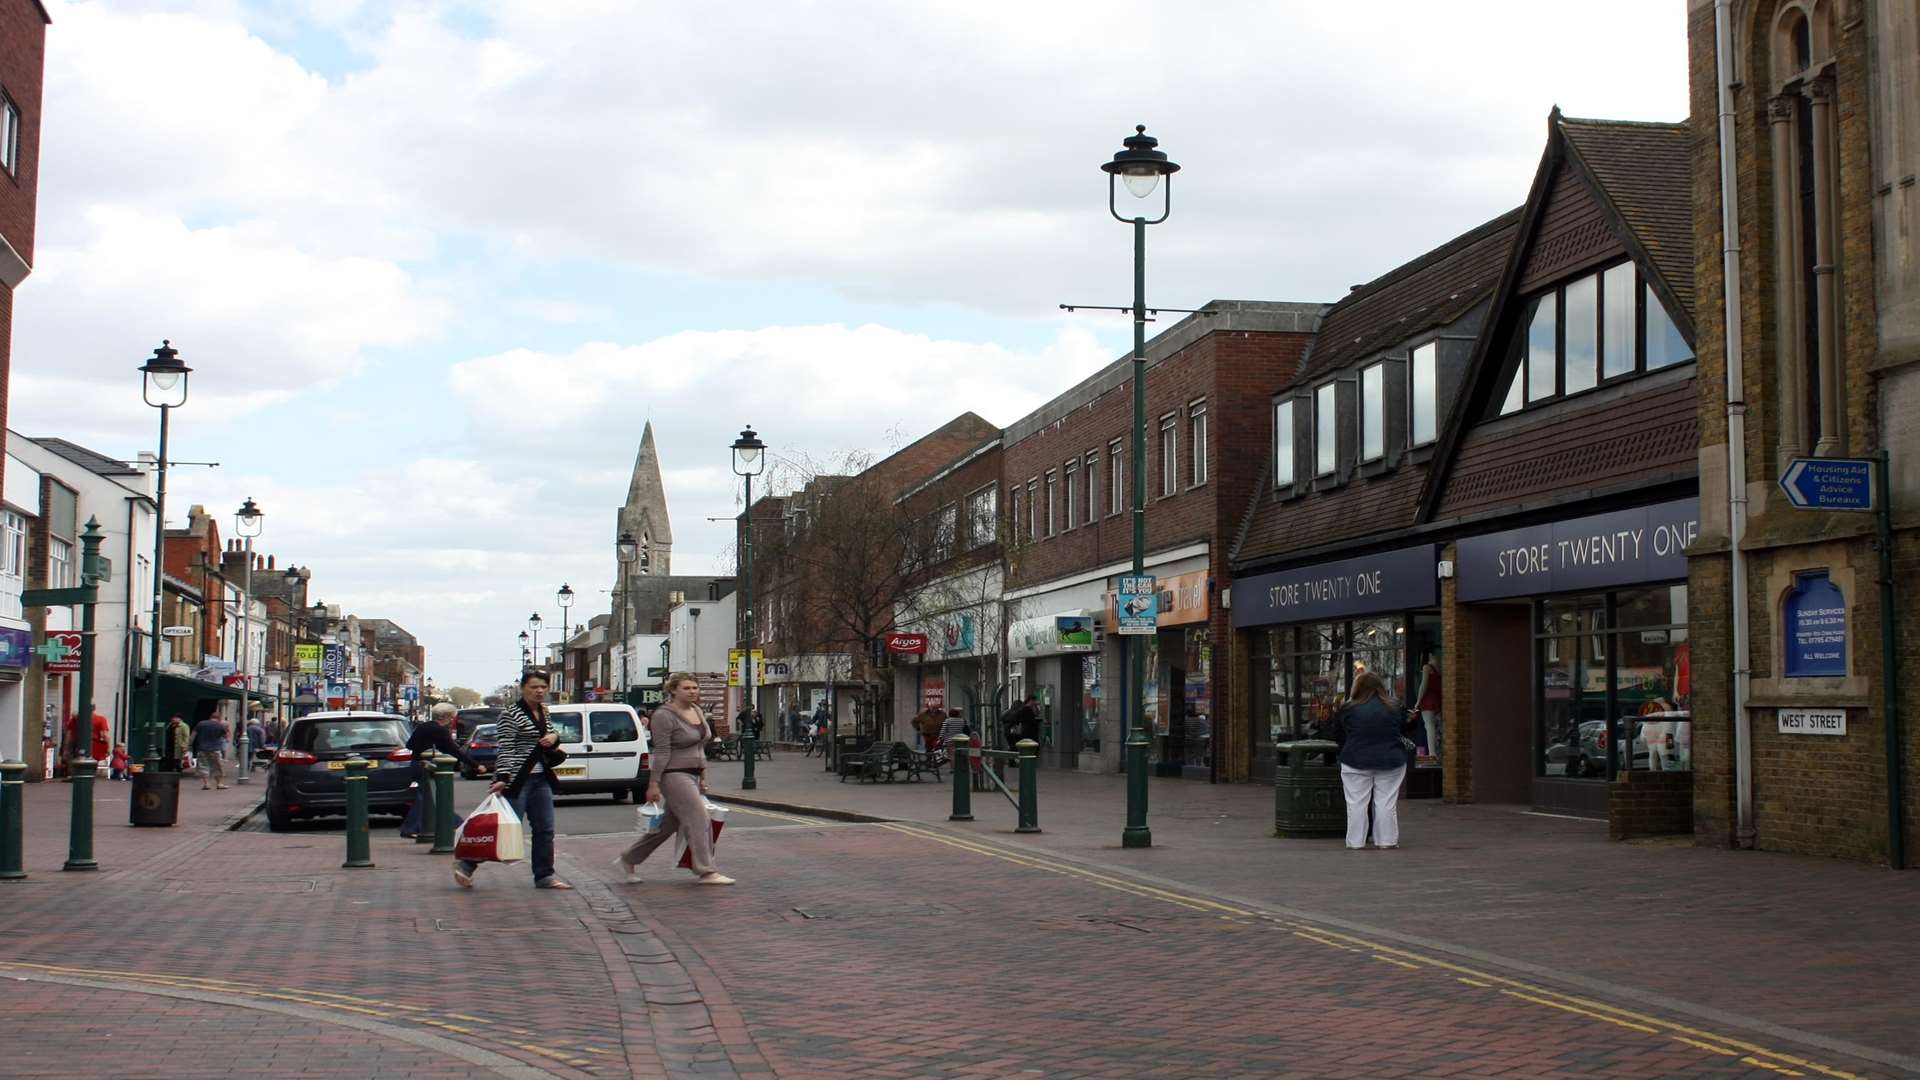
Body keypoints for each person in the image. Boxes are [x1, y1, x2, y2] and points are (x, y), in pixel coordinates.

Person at [454, 670, 571, 890]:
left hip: (542, 778)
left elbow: (552, 734)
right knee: (505, 827)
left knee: (545, 829)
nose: (539, 691)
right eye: (534, 687)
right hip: (518, 779)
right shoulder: (510, 714)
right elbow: (506, 748)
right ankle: (467, 864)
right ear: (523, 688)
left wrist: (555, 737)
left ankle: (544, 876)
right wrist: (503, 778)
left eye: (543, 687)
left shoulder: (544, 711)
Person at [614, 672, 733, 886]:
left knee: (666, 826)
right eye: (686, 688)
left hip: (693, 773)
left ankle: (629, 858)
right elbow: (661, 751)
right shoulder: (664, 715)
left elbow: (700, 747)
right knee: (699, 818)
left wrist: (703, 776)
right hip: (673, 774)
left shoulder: (697, 710)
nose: (692, 692)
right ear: (673, 690)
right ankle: (706, 871)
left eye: (695, 688)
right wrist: (653, 784)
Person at [1334, 671, 1411, 851]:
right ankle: (1387, 840)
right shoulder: (1395, 706)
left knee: (1356, 803)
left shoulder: (1348, 708)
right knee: (1385, 802)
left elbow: (1338, 734)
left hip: (1355, 758)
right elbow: (1402, 730)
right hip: (1390, 759)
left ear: (1357, 687)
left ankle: (1355, 842)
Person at [401, 702, 486, 838]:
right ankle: (410, 828)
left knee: (434, 796)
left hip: (416, 764)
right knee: (429, 797)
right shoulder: (440, 731)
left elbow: (409, 744)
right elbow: (455, 751)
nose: (452, 721)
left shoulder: (423, 726)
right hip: (430, 766)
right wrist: (476, 765)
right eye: (452, 718)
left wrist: (425, 746)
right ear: (446, 717)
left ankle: (457, 823)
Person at [1412, 657, 1442, 760]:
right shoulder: (1438, 670)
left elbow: (1423, 685)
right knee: (1432, 727)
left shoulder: (1426, 667)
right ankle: (1434, 753)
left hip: (1427, 700)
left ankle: (1432, 754)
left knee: (1429, 727)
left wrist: (1418, 701)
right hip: (1436, 700)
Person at [192, 712, 230, 790]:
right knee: (218, 766)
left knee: (203, 766)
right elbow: (227, 737)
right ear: (219, 718)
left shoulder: (201, 724)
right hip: (215, 749)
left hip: (202, 748)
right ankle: (219, 784)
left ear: (210, 717)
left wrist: (189, 745)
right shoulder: (220, 726)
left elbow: (193, 735)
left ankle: (206, 784)